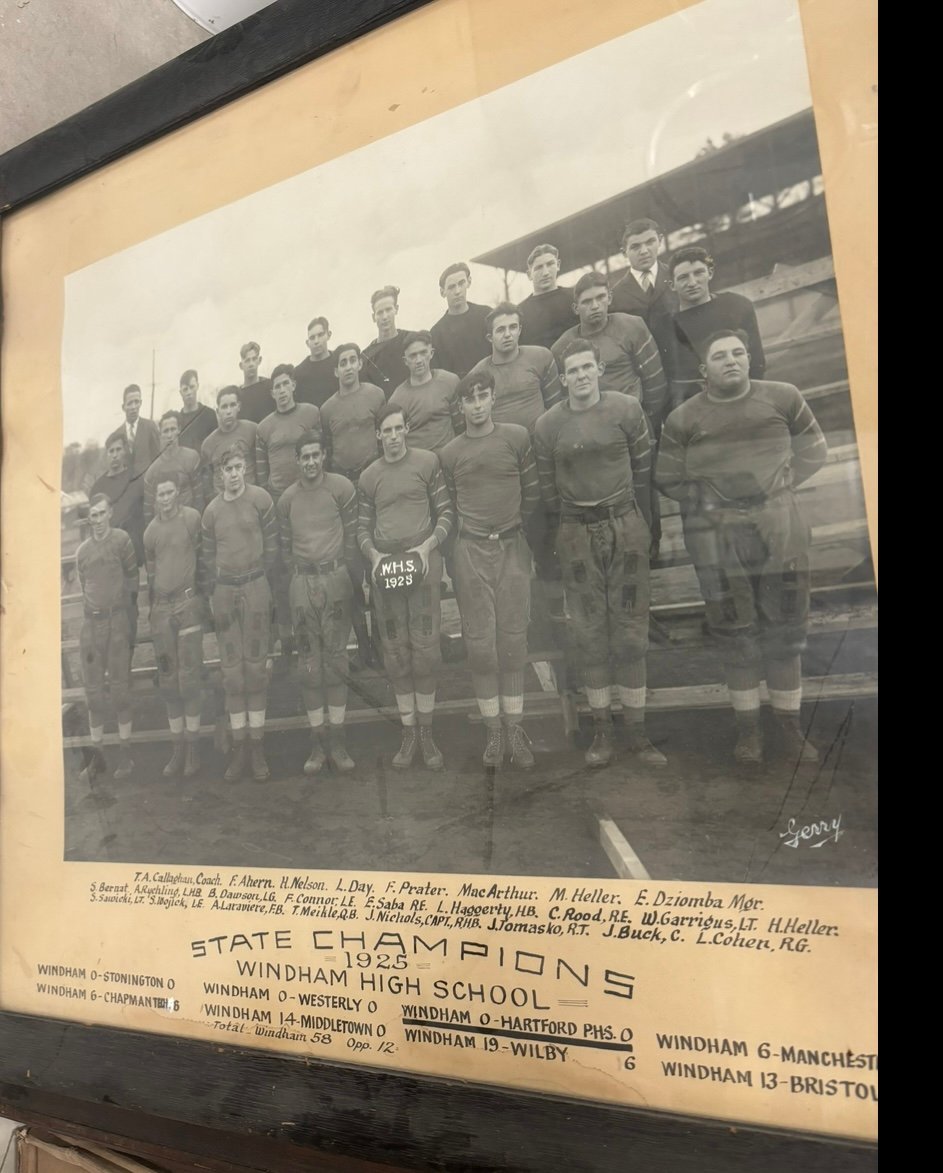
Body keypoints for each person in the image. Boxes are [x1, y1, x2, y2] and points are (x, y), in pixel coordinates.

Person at [655, 329, 827, 765]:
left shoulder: (783, 396)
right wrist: (716, 504)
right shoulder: (683, 418)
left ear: (749, 360)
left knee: (786, 630)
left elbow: (815, 452)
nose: (730, 361)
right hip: (718, 534)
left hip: (779, 525)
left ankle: (789, 728)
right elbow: (669, 477)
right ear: (703, 370)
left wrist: (775, 494)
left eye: (738, 353)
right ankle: (748, 732)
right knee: (735, 630)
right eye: (719, 356)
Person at [535, 339, 665, 769]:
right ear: (563, 378)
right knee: (588, 634)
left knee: (629, 631)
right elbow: (548, 489)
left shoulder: (626, 409)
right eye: (572, 371)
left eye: (587, 368)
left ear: (599, 369)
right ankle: (603, 733)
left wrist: (642, 524)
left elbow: (645, 470)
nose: (581, 377)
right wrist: (566, 531)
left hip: (624, 523)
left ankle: (638, 735)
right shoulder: (549, 425)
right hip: (576, 532)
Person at [439, 370, 541, 768]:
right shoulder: (450, 453)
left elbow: (531, 493)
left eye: (483, 396)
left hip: (512, 545)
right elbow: (448, 506)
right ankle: (494, 732)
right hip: (471, 550)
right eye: (470, 398)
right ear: (460, 406)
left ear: (493, 398)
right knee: (481, 644)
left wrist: (517, 534)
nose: (477, 404)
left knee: (513, 640)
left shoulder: (516, 437)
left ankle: (515, 728)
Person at [357, 403, 455, 769]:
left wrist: (428, 547)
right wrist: (375, 557)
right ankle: (408, 733)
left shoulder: (428, 463)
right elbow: (362, 529)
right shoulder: (369, 476)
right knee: (396, 651)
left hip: (422, 561)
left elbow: (446, 512)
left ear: (407, 430)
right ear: (378, 435)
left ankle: (427, 735)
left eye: (399, 429)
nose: (394, 436)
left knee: (425, 649)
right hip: (388, 566)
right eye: (387, 431)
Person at [277, 432, 358, 775]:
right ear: (297, 460)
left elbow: (352, 539)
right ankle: (317, 742)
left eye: (315, 455)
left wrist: (348, 580)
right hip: (302, 582)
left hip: (335, 578)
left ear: (323, 455)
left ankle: (338, 741)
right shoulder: (287, 499)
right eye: (304, 456)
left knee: (337, 660)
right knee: (309, 664)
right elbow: (283, 549)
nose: (310, 462)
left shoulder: (341, 488)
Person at [201, 446, 280, 782]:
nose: (233, 474)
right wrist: (219, 592)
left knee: (256, 668)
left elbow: (274, 549)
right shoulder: (211, 512)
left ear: (245, 468)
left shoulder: (261, 500)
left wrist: (262, 588)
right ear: (219, 473)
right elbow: (207, 559)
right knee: (232, 672)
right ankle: (239, 750)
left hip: (256, 587)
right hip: (226, 591)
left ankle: (258, 749)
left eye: (237, 467)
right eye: (226, 469)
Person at [320, 342, 386, 667]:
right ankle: (363, 646)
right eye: (341, 362)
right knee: (351, 569)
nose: (347, 366)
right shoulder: (327, 409)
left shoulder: (376, 396)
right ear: (335, 371)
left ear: (360, 364)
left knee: (379, 566)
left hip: (373, 483)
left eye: (352, 360)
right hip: (346, 489)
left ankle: (384, 645)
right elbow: (327, 452)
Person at [550, 272, 669, 439]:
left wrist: (645, 418)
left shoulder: (632, 327)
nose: (595, 306)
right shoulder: (562, 347)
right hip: (588, 428)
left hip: (632, 420)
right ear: (576, 308)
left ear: (610, 298)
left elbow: (655, 379)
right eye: (587, 302)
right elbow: (561, 397)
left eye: (600, 297)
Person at [256, 363, 321, 659]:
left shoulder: (310, 414)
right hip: (279, 502)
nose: (282, 391)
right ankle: (287, 638)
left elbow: (320, 455)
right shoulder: (264, 426)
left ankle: (316, 635)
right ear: (271, 393)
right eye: (276, 387)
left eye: (286, 384)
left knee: (311, 565)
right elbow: (259, 474)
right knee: (282, 572)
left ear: (293, 385)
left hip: (307, 500)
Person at [143, 471, 204, 778]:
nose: (165, 499)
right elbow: (152, 577)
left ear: (178, 493)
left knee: (189, 677)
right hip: (163, 607)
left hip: (188, 602)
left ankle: (193, 750)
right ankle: (177, 750)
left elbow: (204, 560)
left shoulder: (193, 519)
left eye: (169, 493)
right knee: (168, 680)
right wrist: (155, 609)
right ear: (155, 498)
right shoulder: (150, 531)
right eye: (160, 494)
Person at [75, 493, 140, 783]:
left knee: (120, 690)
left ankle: (126, 756)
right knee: (93, 694)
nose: (98, 520)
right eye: (93, 515)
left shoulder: (122, 540)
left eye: (102, 513)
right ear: (89, 518)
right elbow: (83, 584)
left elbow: (132, 580)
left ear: (110, 513)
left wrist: (126, 619)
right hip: (92, 623)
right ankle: (97, 759)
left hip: (117, 621)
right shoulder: (83, 551)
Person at [667, 246, 766, 406]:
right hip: (697, 405)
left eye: (699, 273)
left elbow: (756, 359)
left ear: (710, 273)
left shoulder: (737, 305)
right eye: (683, 277)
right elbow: (677, 377)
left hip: (743, 395)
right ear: (672, 284)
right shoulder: (667, 325)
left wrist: (749, 398)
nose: (692, 282)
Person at [466, 302, 563, 432]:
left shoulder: (541, 357)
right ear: (490, 337)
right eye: (500, 330)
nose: (507, 334)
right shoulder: (478, 374)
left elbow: (555, 407)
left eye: (512, 327)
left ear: (520, 330)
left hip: (541, 440)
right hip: (502, 447)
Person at [610, 219, 678, 382]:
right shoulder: (614, 296)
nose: (644, 251)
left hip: (683, 372)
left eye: (650, 242)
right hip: (645, 379)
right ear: (624, 252)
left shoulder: (677, 277)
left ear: (660, 241)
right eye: (635, 247)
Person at [389, 331, 462, 452]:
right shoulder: (397, 399)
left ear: (431, 353)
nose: (419, 360)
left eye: (423, 353)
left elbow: (461, 426)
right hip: (420, 465)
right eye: (413, 355)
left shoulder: (450, 381)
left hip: (450, 457)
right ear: (405, 361)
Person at [89, 433, 146, 566]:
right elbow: (94, 523)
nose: (115, 455)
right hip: (109, 552)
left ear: (125, 451)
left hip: (134, 548)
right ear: (107, 454)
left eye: (118, 449)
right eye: (111, 451)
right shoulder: (98, 487)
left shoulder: (136, 479)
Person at [429, 262, 491, 379]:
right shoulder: (436, 333)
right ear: (443, 292)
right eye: (451, 287)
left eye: (461, 283)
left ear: (469, 282)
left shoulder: (487, 315)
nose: (457, 291)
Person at [200, 386, 258, 504]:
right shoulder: (208, 444)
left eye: (232, 405)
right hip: (223, 503)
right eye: (224, 407)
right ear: (218, 411)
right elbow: (207, 481)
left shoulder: (252, 430)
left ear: (239, 407)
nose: (228, 411)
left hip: (250, 499)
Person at [143, 411, 204, 523]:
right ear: (160, 434)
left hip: (188, 522)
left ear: (179, 429)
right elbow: (148, 511)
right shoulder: (152, 470)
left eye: (173, 429)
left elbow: (199, 498)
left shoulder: (191, 457)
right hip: (164, 527)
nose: (169, 435)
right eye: (166, 431)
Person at [518, 243, 577, 351]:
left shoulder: (575, 296)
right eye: (538, 268)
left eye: (550, 264)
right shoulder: (520, 311)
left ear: (558, 265)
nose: (545, 273)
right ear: (529, 274)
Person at [362, 286, 414, 398]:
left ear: (396, 309)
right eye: (380, 312)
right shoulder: (366, 357)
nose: (385, 316)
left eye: (388, 310)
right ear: (373, 317)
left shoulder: (411, 340)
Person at [107, 384, 161, 479]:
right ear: (123, 407)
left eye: (136, 402)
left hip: (147, 486)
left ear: (141, 403)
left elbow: (158, 459)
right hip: (126, 487)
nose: (133, 407)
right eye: (130, 403)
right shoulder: (117, 434)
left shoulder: (150, 427)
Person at [293, 316, 338, 408]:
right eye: (312, 338)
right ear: (307, 342)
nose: (316, 341)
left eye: (320, 335)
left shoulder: (339, 362)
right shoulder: (299, 372)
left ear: (329, 335)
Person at [176, 369, 218, 453]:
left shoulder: (209, 414)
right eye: (185, 389)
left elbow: (216, 445)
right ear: (180, 392)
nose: (189, 392)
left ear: (197, 386)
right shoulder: (177, 420)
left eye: (192, 387)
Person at [237, 341, 274, 425]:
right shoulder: (238, 395)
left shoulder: (269, 386)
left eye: (254, 359)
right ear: (241, 365)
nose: (251, 364)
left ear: (259, 360)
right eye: (247, 360)